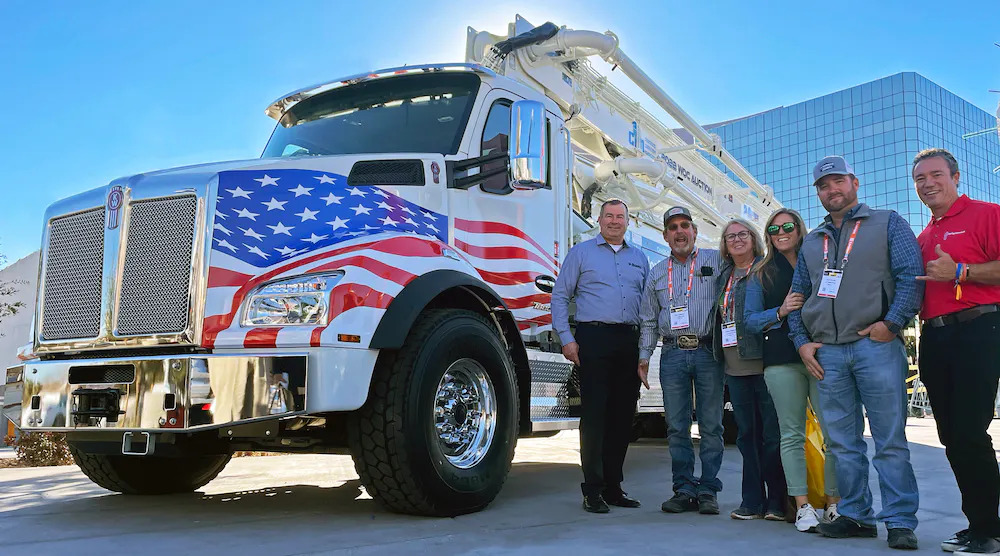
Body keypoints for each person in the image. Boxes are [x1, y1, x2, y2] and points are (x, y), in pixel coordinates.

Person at [788, 155, 923, 550]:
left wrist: (891, 324)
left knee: (889, 441)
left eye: (838, 182)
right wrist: (802, 341)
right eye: (824, 185)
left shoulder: (887, 223)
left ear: (854, 182)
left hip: (875, 347)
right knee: (843, 443)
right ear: (818, 192)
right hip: (828, 354)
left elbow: (910, 277)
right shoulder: (812, 241)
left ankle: (899, 520)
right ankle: (856, 515)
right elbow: (797, 298)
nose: (832, 190)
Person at [910, 148, 1000, 555]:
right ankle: (977, 524)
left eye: (935, 175)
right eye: (919, 179)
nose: (927, 184)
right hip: (936, 336)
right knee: (951, 436)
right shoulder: (924, 235)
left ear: (956, 176)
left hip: (978, 328)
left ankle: (990, 530)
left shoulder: (988, 214)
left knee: (968, 431)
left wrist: (963, 272)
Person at [744, 208, 841, 533]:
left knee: (833, 434)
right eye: (773, 228)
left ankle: (833, 504)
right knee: (791, 435)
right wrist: (781, 310)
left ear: (799, 228)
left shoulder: (819, 260)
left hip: (822, 356)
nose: (781, 232)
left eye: (787, 226)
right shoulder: (762, 271)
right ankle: (802, 507)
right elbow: (750, 320)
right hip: (782, 360)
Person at [552, 198, 650, 514]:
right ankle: (592, 489)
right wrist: (567, 339)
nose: (614, 221)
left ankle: (613, 487)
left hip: (629, 341)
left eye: (620, 216)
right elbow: (559, 296)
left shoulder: (640, 258)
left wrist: (645, 349)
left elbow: (648, 308)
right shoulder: (581, 252)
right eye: (608, 215)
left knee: (622, 418)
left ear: (628, 221)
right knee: (594, 417)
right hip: (593, 338)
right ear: (599, 219)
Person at [638, 206, 724, 515]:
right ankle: (684, 488)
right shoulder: (657, 272)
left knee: (712, 425)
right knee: (676, 426)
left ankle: (709, 489)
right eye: (673, 227)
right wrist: (644, 356)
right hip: (672, 353)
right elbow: (648, 319)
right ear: (665, 235)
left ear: (694, 231)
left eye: (685, 225)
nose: (679, 231)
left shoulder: (716, 260)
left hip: (707, 352)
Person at [714, 218, 787, 521]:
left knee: (772, 435)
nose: (737, 239)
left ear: (754, 239)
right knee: (746, 436)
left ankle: (778, 502)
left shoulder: (766, 270)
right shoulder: (724, 276)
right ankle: (751, 501)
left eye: (743, 234)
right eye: (731, 236)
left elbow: (779, 309)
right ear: (725, 245)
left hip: (763, 362)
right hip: (734, 368)